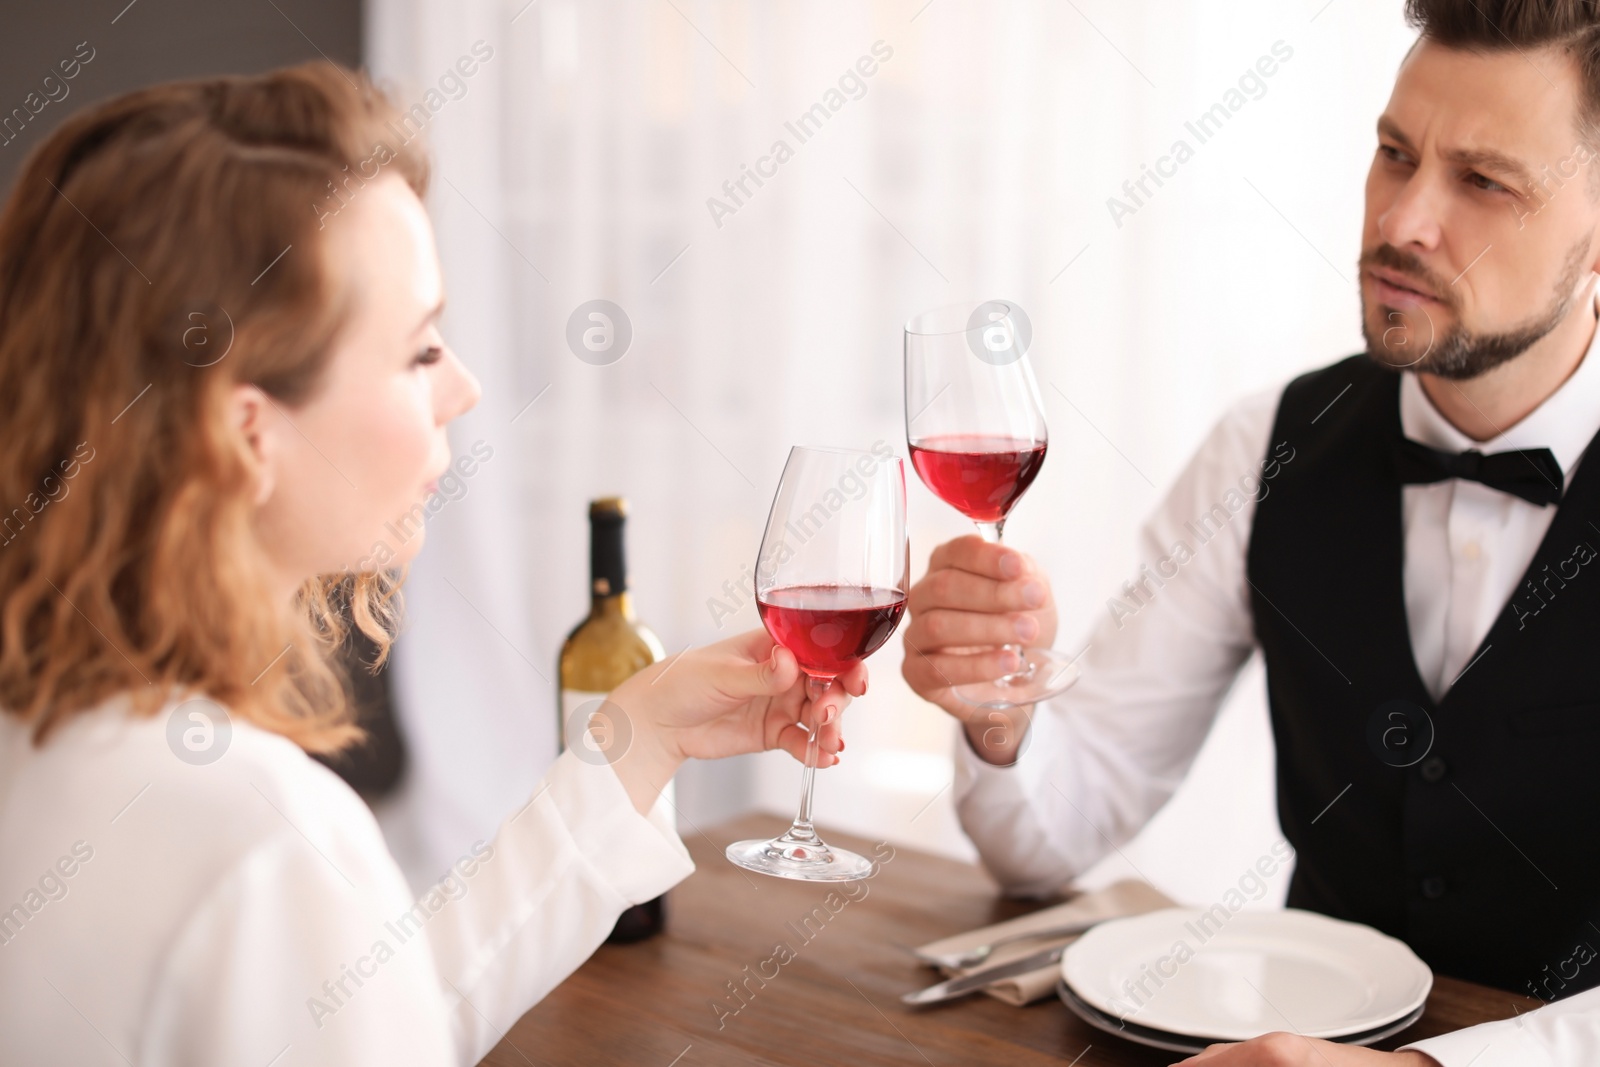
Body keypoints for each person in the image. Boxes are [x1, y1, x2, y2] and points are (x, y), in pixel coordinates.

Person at [0, 63, 857, 1065]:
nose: (465, 385)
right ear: (246, 434)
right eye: (417, 351)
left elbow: (357, 1012)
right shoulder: (267, 848)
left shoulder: (68, 747)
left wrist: (638, 740)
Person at [902, 2, 1600, 1064]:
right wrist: (1002, 718)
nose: (1402, 219)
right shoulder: (1261, 447)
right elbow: (1052, 835)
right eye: (1393, 153)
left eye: (1482, 181)